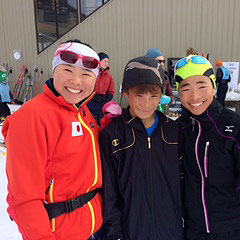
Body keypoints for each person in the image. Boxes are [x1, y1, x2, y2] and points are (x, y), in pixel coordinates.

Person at [3, 40, 104, 239]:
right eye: (67, 70)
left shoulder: (81, 111)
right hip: (59, 232)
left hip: (90, 228)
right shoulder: (33, 116)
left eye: (86, 74)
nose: (76, 81)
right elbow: (24, 197)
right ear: (53, 71)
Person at [175, 55, 240, 240]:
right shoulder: (179, 129)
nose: (195, 96)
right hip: (194, 230)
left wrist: (238, 215)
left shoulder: (239, 127)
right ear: (178, 92)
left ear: (214, 86)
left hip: (235, 229)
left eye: (202, 85)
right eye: (186, 88)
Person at [100, 56, 184, 240]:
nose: (146, 103)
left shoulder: (173, 132)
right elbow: (108, 192)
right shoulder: (113, 135)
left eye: (154, 95)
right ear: (127, 92)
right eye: (139, 94)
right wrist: (114, 234)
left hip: (171, 231)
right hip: (130, 232)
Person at [87, 52, 115, 125]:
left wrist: (107, 98)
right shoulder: (92, 74)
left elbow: (111, 90)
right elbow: (87, 86)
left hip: (102, 104)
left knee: (102, 123)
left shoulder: (109, 77)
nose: (107, 64)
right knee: (91, 122)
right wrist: (94, 96)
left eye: (108, 62)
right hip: (91, 102)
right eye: (105, 61)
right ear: (99, 61)